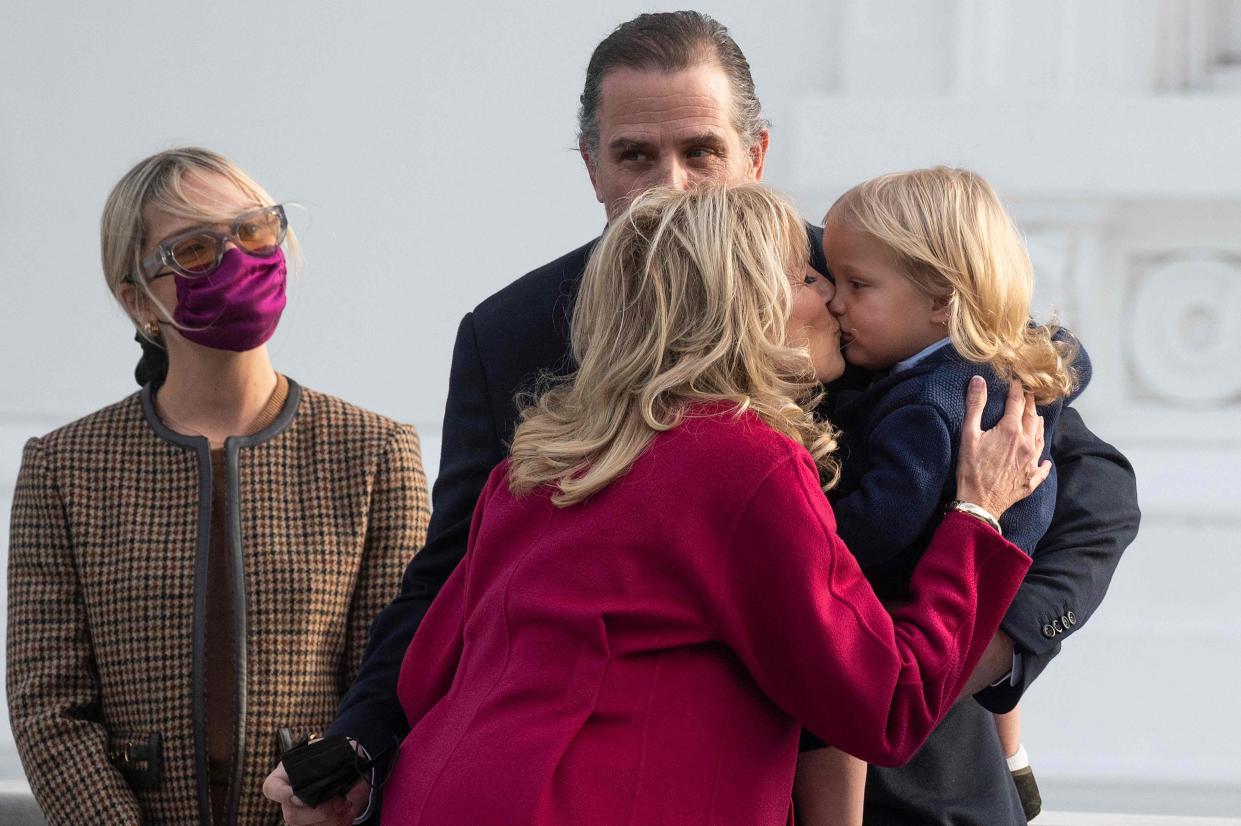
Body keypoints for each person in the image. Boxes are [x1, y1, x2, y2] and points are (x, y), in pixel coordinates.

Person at [268, 11, 1140, 825]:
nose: (668, 186)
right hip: (653, 777)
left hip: (898, 783)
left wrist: (997, 659)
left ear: (755, 151)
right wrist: (358, 740)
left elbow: (1084, 478)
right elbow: (455, 580)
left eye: (699, 149)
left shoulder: (862, 267)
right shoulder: (524, 340)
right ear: (591, 164)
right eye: (636, 155)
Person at [381, 181, 1041, 825]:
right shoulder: (742, 460)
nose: (829, 297)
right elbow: (885, 704)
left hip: (441, 790)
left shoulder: (538, 462)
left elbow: (425, 674)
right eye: (803, 277)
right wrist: (977, 518)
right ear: (744, 305)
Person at [6, 147, 430, 826]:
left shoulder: (374, 452)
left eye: (255, 230)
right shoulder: (65, 467)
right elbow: (47, 702)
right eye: (196, 250)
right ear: (135, 298)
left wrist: (331, 793)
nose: (238, 260)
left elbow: (392, 676)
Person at [793, 166, 1090, 825]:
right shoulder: (1004, 365)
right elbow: (1072, 356)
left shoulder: (926, 406)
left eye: (857, 285)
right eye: (830, 280)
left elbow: (878, 525)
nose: (836, 303)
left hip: (921, 673)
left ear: (941, 300)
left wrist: (803, 527)